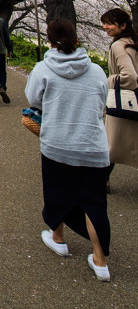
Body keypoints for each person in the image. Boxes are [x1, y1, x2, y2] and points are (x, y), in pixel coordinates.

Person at [25, 19, 111, 280]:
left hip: (57, 144)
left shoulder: (43, 68)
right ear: (77, 39)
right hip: (93, 145)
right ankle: (100, 261)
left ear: (49, 40)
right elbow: (102, 101)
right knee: (95, 203)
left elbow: (33, 99)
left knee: (57, 192)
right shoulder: (96, 71)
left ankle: (58, 238)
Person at [100, 7, 138, 176]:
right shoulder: (133, 42)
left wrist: (107, 81)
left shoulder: (118, 46)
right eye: (104, 23)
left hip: (123, 100)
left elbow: (129, 77)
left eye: (110, 24)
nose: (105, 27)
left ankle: (101, 180)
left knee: (110, 144)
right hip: (135, 99)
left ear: (123, 26)